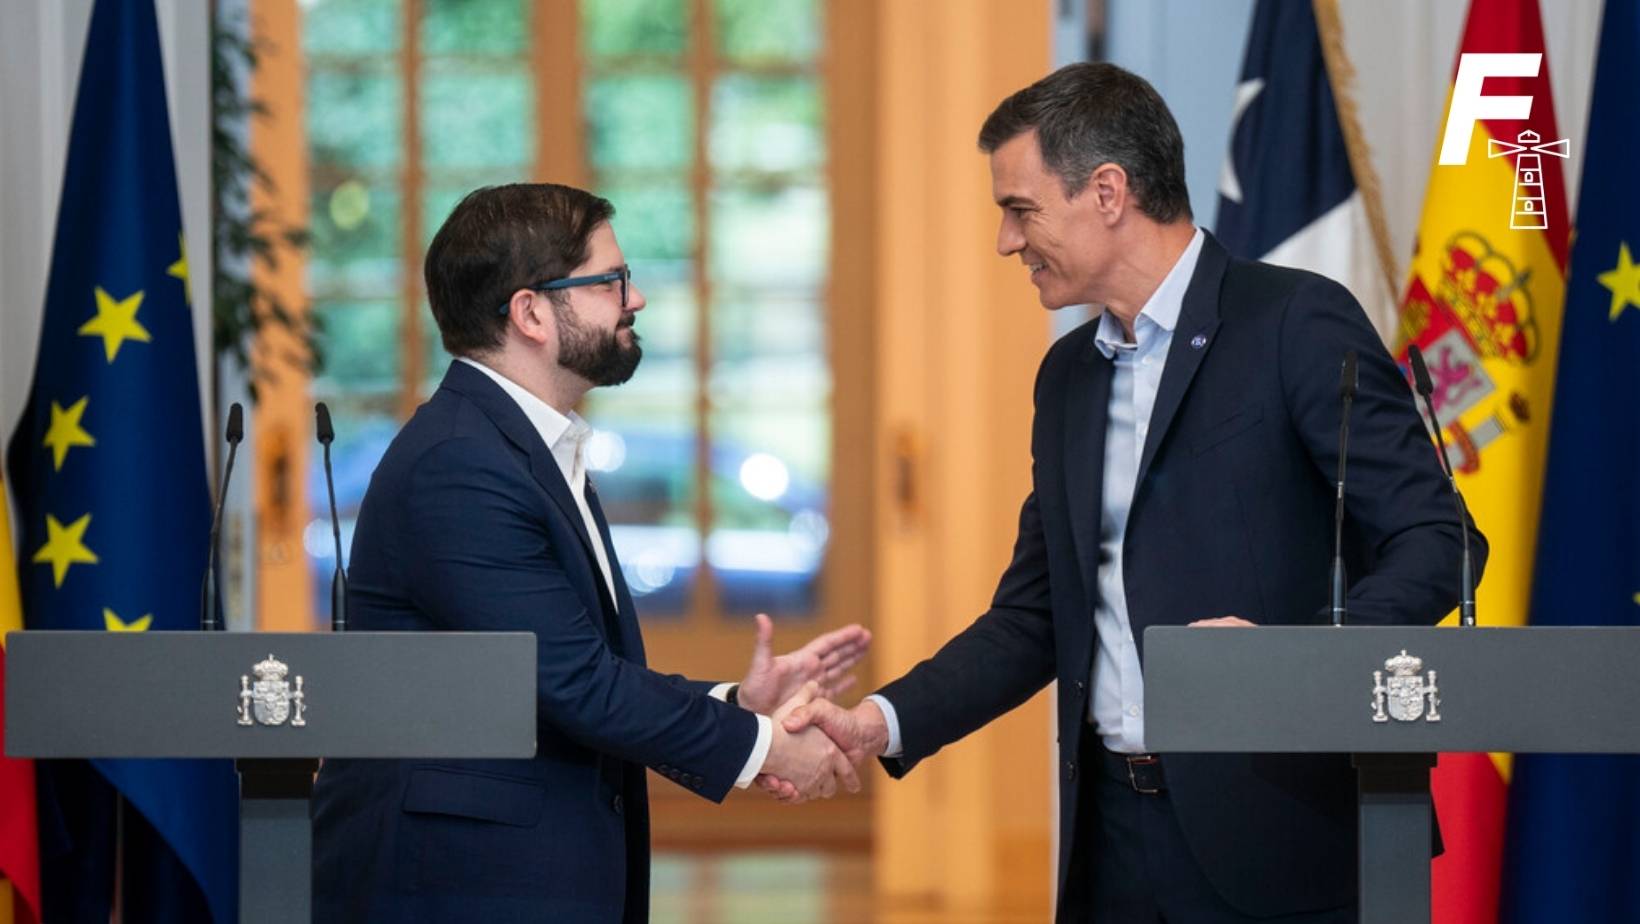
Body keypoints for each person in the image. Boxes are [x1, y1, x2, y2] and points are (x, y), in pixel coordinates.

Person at [772, 62, 1485, 922]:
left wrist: (1300, 660)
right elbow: (1035, 616)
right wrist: (880, 720)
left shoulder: (1295, 322)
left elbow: (1438, 538)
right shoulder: (1067, 376)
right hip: (1109, 841)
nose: (1005, 240)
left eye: (1020, 208)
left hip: (1281, 841)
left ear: (1107, 191)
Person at [311, 183, 867, 924]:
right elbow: (574, 683)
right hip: (459, 881)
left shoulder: (526, 444)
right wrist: (765, 746)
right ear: (531, 312)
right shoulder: (459, 463)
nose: (634, 298)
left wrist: (734, 703)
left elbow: (577, 668)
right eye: (610, 281)